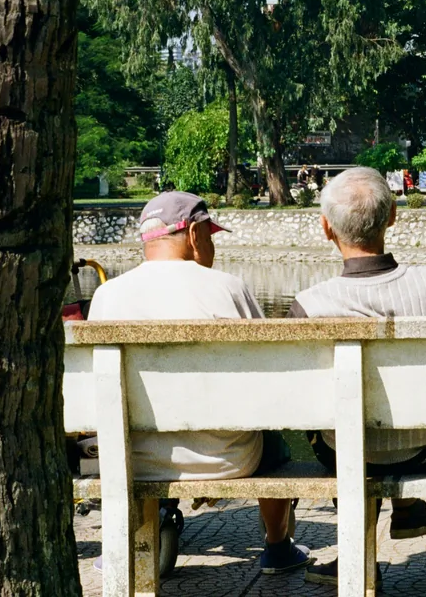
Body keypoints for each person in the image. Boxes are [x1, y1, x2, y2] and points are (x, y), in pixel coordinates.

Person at [88, 191, 313, 575]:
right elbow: (274, 378)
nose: (211, 246)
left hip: (130, 461)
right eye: (210, 236)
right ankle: (277, 546)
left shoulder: (106, 296)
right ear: (194, 235)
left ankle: (131, 537)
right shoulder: (228, 288)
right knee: (274, 440)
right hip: (228, 460)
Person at [288, 167, 426, 586]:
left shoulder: (309, 305)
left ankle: (355, 558)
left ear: (326, 228)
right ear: (392, 217)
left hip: (344, 452)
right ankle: (406, 506)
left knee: (335, 421)